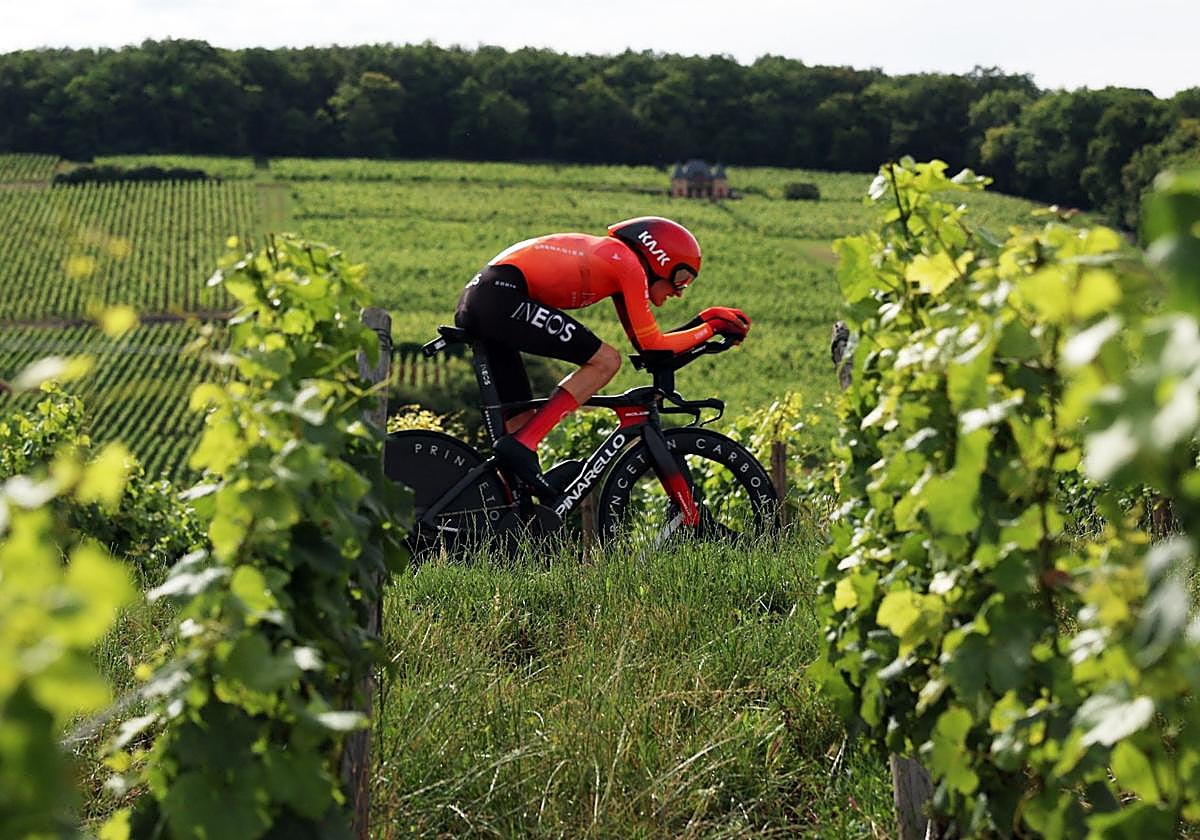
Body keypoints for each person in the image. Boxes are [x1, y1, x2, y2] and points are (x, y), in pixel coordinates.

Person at [454, 216, 751, 496]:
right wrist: (710, 327)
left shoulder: (618, 263)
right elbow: (653, 345)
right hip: (499, 297)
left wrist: (704, 324)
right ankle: (525, 443)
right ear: (660, 259)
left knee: (520, 423)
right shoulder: (627, 264)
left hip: (489, 297)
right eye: (681, 279)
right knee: (606, 361)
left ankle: (506, 511)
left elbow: (650, 348)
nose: (680, 292)